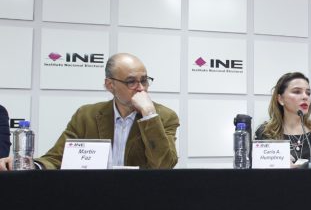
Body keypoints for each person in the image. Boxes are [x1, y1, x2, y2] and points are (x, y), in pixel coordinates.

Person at [0, 53, 179, 171]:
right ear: (111, 85)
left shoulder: (163, 116)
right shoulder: (87, 115)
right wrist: (31, 165)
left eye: (144, 81)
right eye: (131, 82)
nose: (141, 88)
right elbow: (57, 158)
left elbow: (164, 166)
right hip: (95, 197)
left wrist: (149, 114)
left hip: (142, 198)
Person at [254, 72, 311, 167]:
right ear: (280, 99)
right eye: (297, 92)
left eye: (308, 93)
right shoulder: (265, 132)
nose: (305, 97)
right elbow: (254, 175)